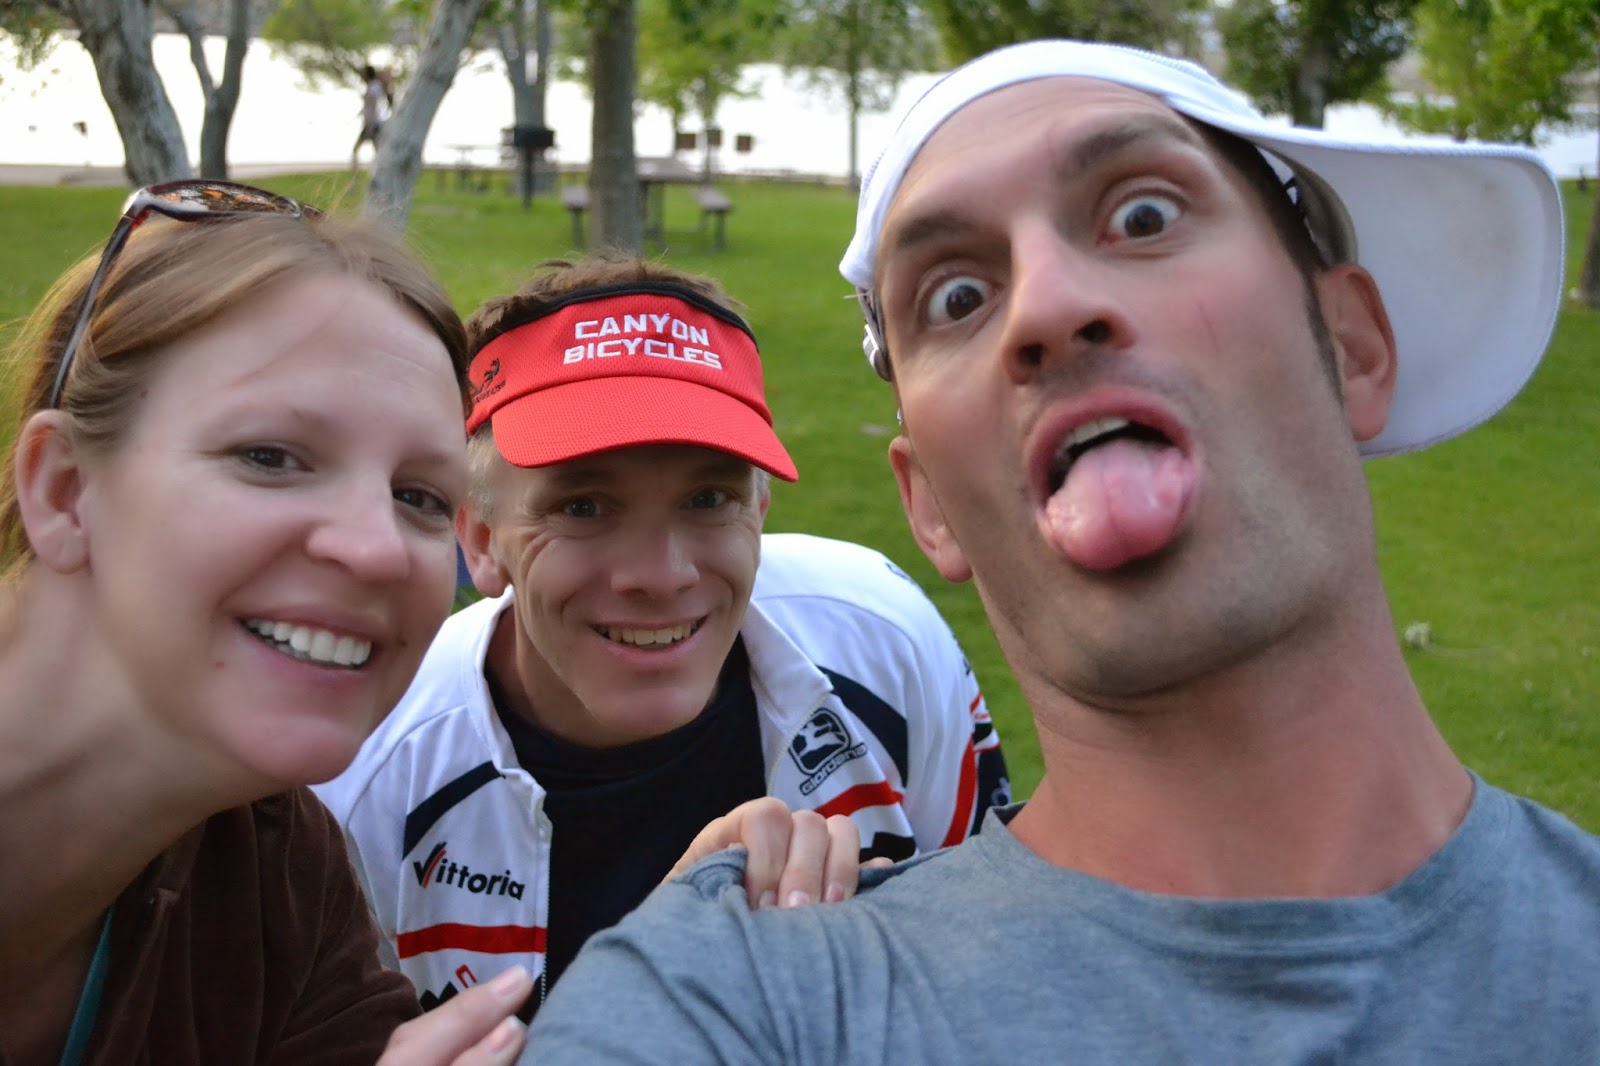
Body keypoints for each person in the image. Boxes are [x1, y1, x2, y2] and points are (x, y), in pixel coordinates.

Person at [521, 39, 1600, 1063]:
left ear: (1351, 347)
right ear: (930, 507)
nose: (1045, 306)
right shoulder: (741, 997)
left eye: (1142, 215)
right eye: (956, 296)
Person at [0, 181, 871, 1066]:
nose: (376, 548)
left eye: (416, 495)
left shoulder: (282, 873)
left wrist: (665, 954)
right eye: (270, 457)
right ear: (65, 491)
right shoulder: (363, 813)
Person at [314, 254, 1009, 1018]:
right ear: (479, 540)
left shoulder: (883, 643)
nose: (662, 573)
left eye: (708, 498)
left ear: (761, 510)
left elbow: (990, 965)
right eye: (583, 507)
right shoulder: (365, 785)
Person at [352, 63, 389, 169]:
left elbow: (375, 107)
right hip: (372, 122)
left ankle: (358, 178)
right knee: (377, 151)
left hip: (373, 123)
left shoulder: (373, 87)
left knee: (358, 150)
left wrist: (370, 125)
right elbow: (370, 106)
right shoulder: (374, 86)